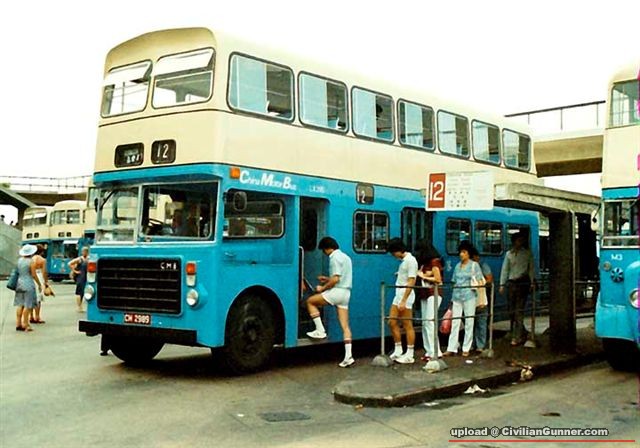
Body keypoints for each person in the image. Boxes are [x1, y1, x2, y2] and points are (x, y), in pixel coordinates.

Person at [305, 237, 355, 368]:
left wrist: (322, 288)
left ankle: (320, 330)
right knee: (345, 326)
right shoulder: (346, 257)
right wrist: (327, 279)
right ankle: (348, 356)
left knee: (310, 302)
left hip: (337, 292)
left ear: (327, 248)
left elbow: (336, 280)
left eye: (323, 250)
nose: (324, 253)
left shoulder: (334, 258)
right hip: (346, 293)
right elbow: (339, 277)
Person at [444, 241, 484, 357]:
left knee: (469, 322)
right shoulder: (457, 266)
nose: (461, 254)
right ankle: (451, 347)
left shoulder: (474, 265)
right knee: (455, 322)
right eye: (460, 252)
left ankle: (466, 347)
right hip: (457, 297)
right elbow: (454, 282)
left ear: (468, 253)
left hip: (469, 296)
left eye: (464, 252)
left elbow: (480, 281)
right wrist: (452, 299)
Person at [386, 238, 419, 364]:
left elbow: (411, 280)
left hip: (406, 295)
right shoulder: (404, 261)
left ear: (398, 250)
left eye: (393, 252)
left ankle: (410, 354)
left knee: (407, 324)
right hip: (399, 294)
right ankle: (398, 349)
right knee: (392, 322)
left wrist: (404, 300)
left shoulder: (411, 261)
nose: (393, 255)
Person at [499, 232, 535, 346]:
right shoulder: (508, 254)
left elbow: (531, 269)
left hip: (522, 282)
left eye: (521, 240)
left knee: (519, 310)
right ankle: (520, 332)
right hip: (511, 283)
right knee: (511, 310)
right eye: (518, 240)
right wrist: (502, 284)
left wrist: (532, 282)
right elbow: (505, 269)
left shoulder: (527, 254)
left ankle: (517, 336)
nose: (520, 242)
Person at [415, 241, 443, 362]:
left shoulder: (434, 262)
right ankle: (429, 350)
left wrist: (423, 276)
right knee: (426, 323)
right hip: (425, 294)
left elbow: (438, 279)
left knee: (429, 321)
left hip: (433, 293)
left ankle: (435, 351)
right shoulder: (426, 263)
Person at [469, 247, 493, 353]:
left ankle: (480, 345)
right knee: (473, 323)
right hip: (472, 298)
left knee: (481, 323)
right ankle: (474, 344)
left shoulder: (482, 266)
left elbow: (489, 279)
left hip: (481, 297)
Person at [14, 244, 41, 332]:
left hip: (19, 283)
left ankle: (18, 323)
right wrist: (39, 284)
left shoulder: (19, 261)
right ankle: (25, 324)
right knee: (27, 305)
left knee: (20, 304)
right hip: (28, 283)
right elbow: (33, 275)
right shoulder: (31, 262)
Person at [30, 244, 49, 324]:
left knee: (31, 298)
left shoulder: (31, 259)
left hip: (31, 277)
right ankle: (37, 316)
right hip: (39, 276)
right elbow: (44, 272)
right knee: (38, 299)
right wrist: (45, 282)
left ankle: (31, 316)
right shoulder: (42, 260)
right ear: (41, 252)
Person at [69, 247, 90, 313]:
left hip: (86, 277)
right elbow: (69, 263)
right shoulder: (79, 259)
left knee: (83, 292)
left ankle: (80, 306)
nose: (84, 253)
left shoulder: (89, 259)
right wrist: (75, 271)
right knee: (79, 292)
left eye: (85, 251)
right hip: (80, 277)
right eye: (83, 251)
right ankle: (79, 307)